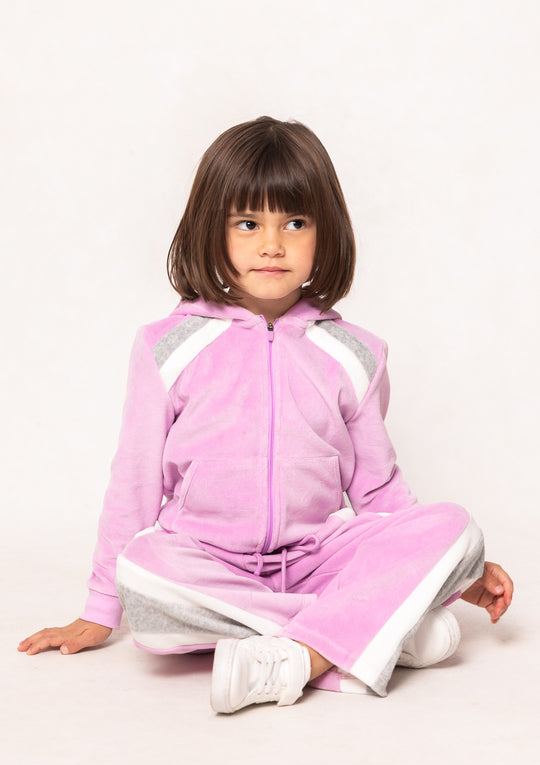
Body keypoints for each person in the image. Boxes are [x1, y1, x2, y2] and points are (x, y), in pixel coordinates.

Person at [18, 116, 513, 713]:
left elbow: (379, 491)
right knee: (144, 573)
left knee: (455, 527)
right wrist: (100, 610)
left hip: (317, 560)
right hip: (206, 562)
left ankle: (302, 657)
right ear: (212, 229)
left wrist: (455, 573)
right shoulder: (166, 347)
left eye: (295, 223)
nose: (272, 244)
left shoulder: (355, 352)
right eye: (248, 223)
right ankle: (363, 634)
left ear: (326, 233)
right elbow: (135, 479)